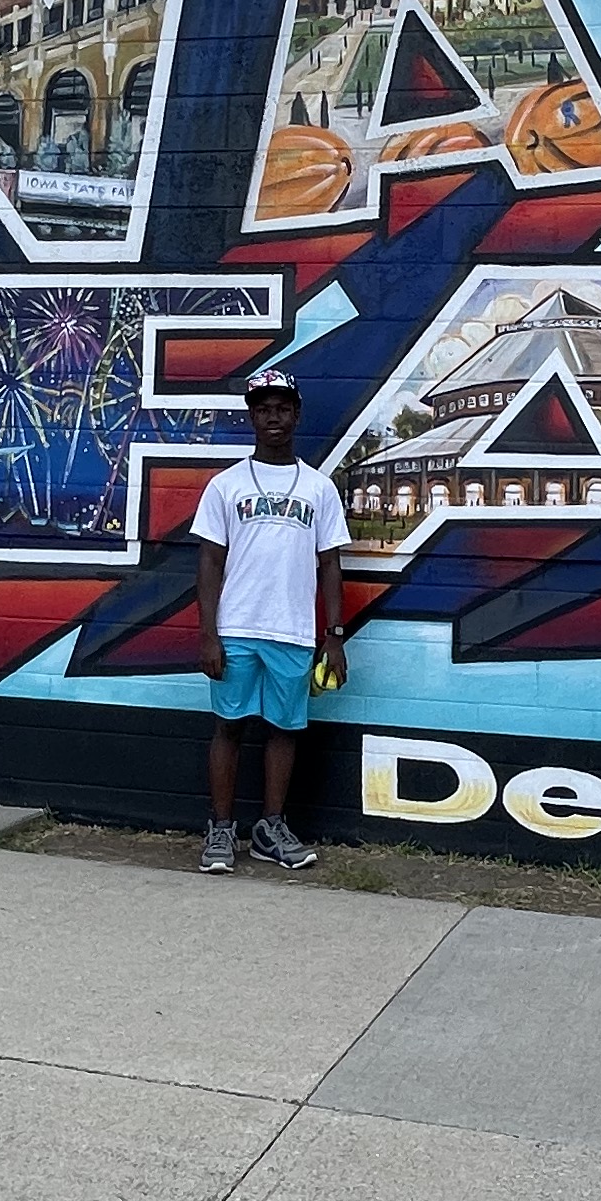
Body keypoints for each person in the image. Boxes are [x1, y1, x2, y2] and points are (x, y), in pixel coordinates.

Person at [190, 365, 347, 872]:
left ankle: (270, 829)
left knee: (284, 730)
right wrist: (208, 635)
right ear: (251, 417)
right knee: (228, 727)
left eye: (282, 409)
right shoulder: (226, 485)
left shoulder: (319, 488)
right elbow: (210, 563)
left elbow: (330, 564)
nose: (273, 418)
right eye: (263, 410)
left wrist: (334, 636)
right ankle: (221, 830)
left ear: (296, 415)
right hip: (236, 628)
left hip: (293, 631)